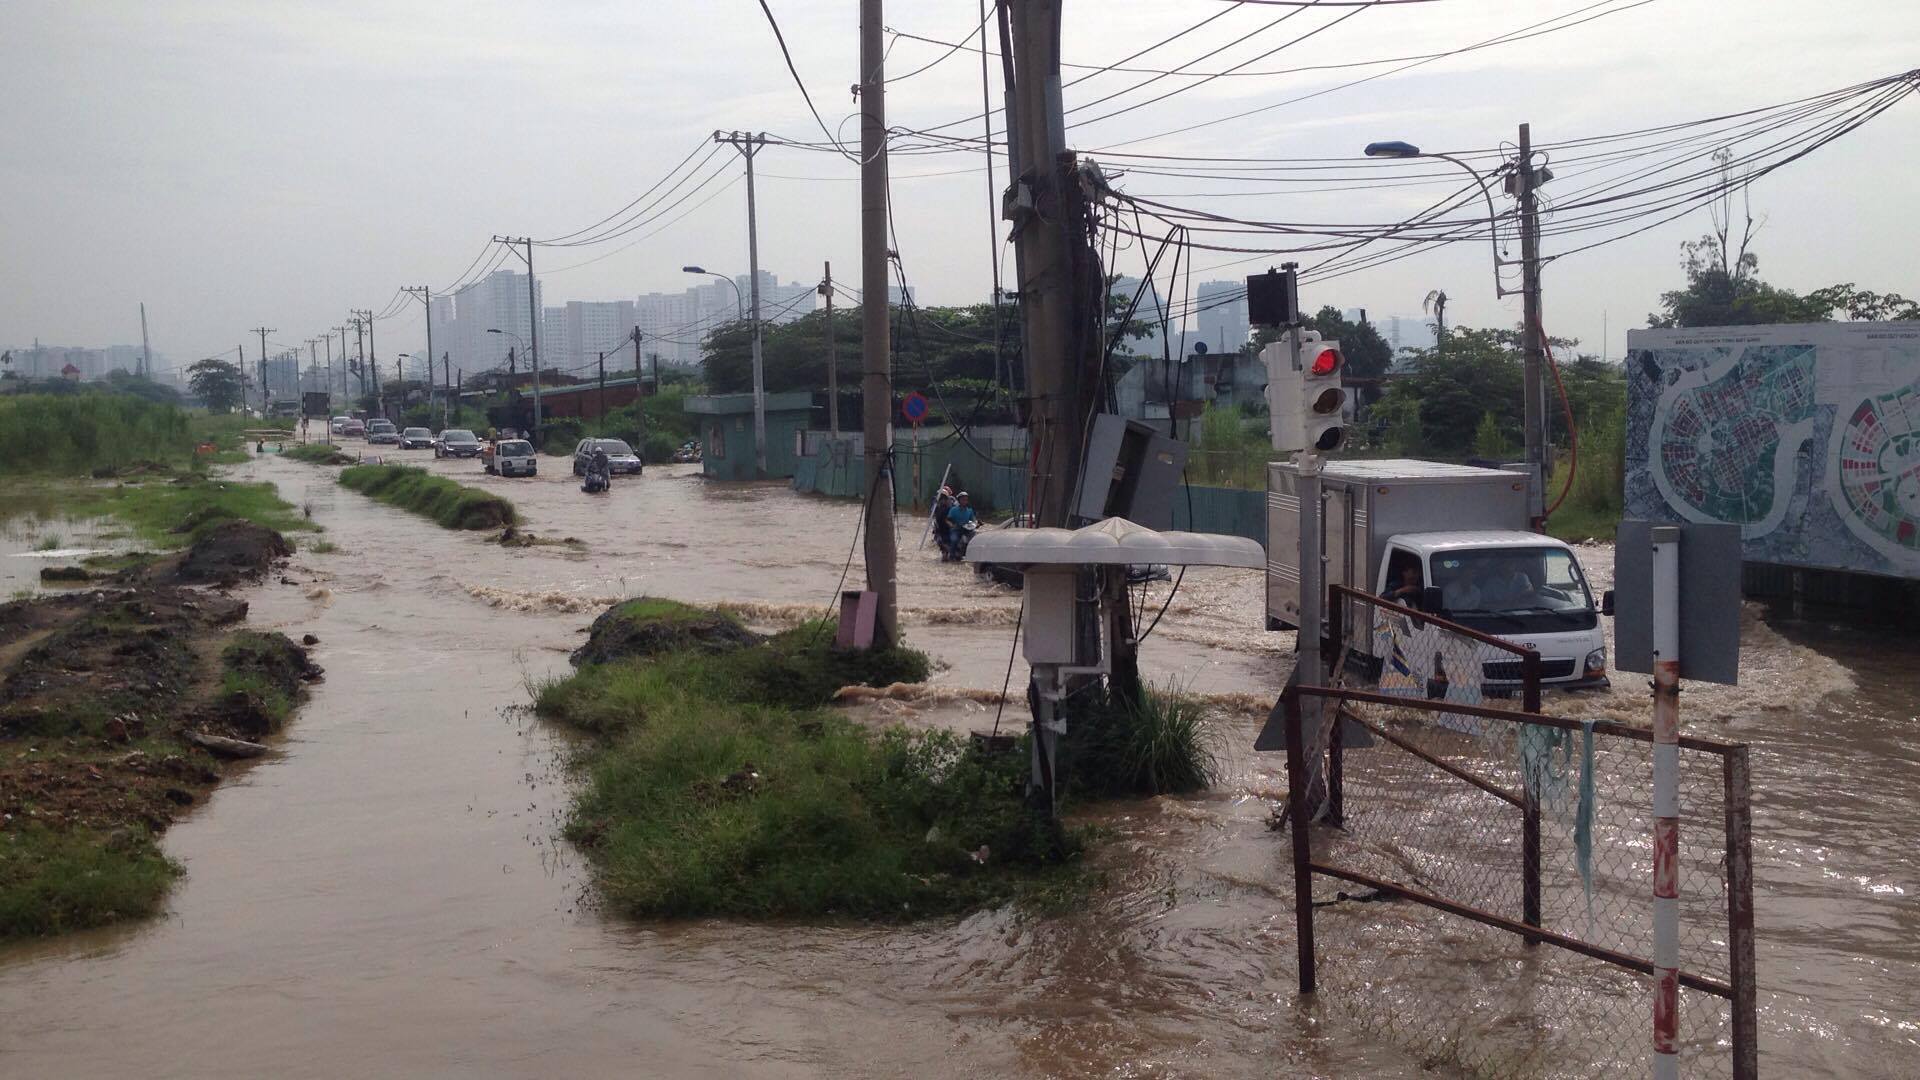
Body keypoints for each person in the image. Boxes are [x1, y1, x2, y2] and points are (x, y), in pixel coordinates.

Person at [943, 492, 977, 562]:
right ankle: (951, 556)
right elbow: (947, 520)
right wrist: (952, 525)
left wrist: (974, 524)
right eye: (963, 500)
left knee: (974, 537)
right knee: (954, 540)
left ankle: (972, 555)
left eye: (966, 500)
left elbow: (973, 519)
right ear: (959, 500)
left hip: (966, 529)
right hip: (956, 529)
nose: (965, 501)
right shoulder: (953, 510)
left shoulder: (969, 510)